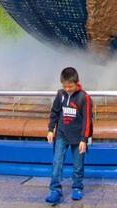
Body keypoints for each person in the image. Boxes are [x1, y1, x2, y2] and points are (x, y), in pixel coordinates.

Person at [45, 67, 93, 205]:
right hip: (61, 134)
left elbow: (87, 120)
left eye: (70, 86)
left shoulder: (84, 97)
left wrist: (84, 139)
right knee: (57, 162)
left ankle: (77, 187)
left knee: (78, 164)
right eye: (64, 86)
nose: (67, 89)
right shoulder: (60, 94)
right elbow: (54, 112)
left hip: (78, 137)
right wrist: (50, 129)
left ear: (77, 83)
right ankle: (55, 190)